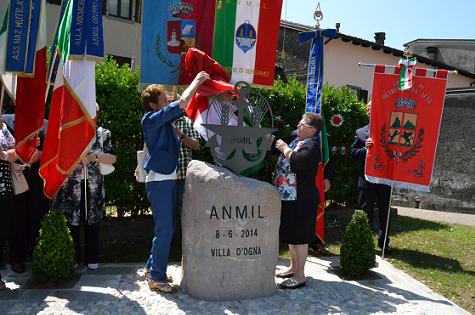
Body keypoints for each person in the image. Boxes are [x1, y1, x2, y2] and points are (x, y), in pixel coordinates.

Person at [141, 71, 209, 293]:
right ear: (153, 105)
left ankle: (153, 268)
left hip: (166, 178)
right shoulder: (151, 119)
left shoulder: (163, 120)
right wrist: (197, 81)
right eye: (163, 99)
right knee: (165, 230)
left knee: (165, 228)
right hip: (160, 180)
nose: (167, 101)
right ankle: (158, 279)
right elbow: (182, 103)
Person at [52, 126, 116, 269]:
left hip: (94, 187)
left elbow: (113, 157)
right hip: (72, 187)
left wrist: (95, 157)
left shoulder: (104, 133)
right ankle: (73, 257)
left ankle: (92, 258)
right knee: (72, 221)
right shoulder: (68, 131)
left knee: (93, 220)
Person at [273, 112, 323, 289]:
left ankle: (300, 276)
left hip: (302, 199)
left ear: (312, 130)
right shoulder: (297, 141)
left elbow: (300, 161)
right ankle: (293, 267)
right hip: (288, 197)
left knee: (300, 237)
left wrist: (285, 149)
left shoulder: (312, 146)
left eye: (302, 124)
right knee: (292, 235)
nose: (298, 125)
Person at [350, 101, 392, 255]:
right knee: (364, 210)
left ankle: (384, 243)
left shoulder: (390, 130)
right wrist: (364, 149)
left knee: (384, 211)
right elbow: (353, 153)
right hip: (366, 178)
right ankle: (364, 241)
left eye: (372, 109)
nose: (369, 112)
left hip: (384, 178)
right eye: (367, 110)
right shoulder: (361, 132)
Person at [0, 115, 18, 289]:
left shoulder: (4, 127)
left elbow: (15, 152)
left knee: (3, 231)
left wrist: (4, 154)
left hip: (4, 187)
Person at [174, 114, 200, 214]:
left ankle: (183, 230)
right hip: (165, 177)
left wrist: (180, 134)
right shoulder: (162, 122)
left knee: (185, 210)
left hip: (183, 176)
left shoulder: (188, 122)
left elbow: (196, 145)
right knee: (166, 211)